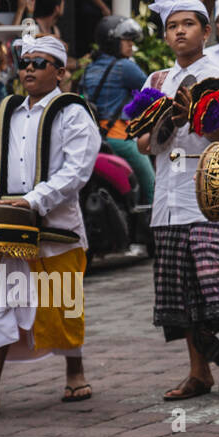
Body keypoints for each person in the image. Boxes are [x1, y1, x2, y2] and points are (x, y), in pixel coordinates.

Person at [131, 0, 219, 400]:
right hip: (167, 194)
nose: (180, 31)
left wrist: (201, 120)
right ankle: (199, 371)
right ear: (166, 36)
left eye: (188, 24)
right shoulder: (156, 82)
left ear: (205, 30)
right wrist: (166, 120)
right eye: (172, 26)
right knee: (178, 287)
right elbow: (146, 144)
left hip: (209, 192)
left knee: (214, 277)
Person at [0, 36, 98, 413]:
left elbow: (77, 171)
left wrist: (33, 200)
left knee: (60, 302)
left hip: (56, 227)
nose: (28, 68)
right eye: (25, 62)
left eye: (39, 63)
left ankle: (74, 371)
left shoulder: (73, 112)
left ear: (60, 72)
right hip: (9, 227)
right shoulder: (8, 111)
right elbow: (0, 160)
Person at [80, 15, 152, 256]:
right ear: (112, 42)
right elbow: (151, 93)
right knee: (152, 182)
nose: (131, 45)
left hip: (94, 140)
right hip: (120, 139)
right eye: (126, 40)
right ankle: (151, 234)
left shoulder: (89, 68)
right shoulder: (125, 67)